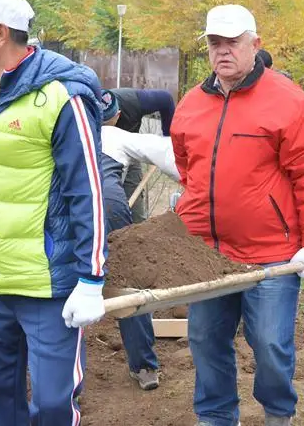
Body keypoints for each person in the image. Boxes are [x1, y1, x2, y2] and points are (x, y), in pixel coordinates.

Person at [0, 0, 107, 425]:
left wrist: (91, 279)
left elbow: (87, 189)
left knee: (54, 404)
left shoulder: (61, 96)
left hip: (47, 284)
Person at [170, 4, 304, 426]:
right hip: (208, 253)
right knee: (205, 340)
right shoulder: (191, 105)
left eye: (232, 42)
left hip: (271, 253)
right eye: (214, 43)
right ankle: (216, 416)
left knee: (271, 345)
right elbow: (187, 168)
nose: (222, 51)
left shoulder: (290, 103)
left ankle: (278, 413)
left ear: (255, 44)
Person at [100, 89, 179, 391]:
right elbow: (168, 156)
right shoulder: (117, 134)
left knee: (59, 290)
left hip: (64, 205)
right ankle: (144, 365)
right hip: (108, 204)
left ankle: (64, 383)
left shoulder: (61, 131)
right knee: (127, 282)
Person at [111, 87, 176, 223]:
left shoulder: (133, 101)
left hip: (131, 150)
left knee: (136, 212)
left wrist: (168, 138)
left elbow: (166, 99)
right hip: (104, 155)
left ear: (118, 113)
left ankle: (136, 229)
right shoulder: (88, 116)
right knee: (109, 201)